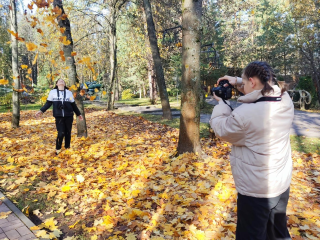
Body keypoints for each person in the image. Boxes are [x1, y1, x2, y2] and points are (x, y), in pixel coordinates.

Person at [209, 61, 294, 240]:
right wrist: (238, 80)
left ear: (253, 82)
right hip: (280, 184)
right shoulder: (286, 101)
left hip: (256, 192)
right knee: (278, 233)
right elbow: (264, 89)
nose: (243, 86)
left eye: (246, 83)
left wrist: (222, 104)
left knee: (251, 235)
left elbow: (221, 128)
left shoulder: (245, 115)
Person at [35, 79, 83, 155]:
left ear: (64, 84)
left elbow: (73, 105)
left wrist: (79, 114)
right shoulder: (52, 92)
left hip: (69, 115)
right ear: (56, 84)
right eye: (59, 81)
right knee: (61, 133)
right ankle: (58, 148)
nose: (61, 82)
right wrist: (41, 111)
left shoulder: (69, 93)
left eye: (63, 81)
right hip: (59, 116)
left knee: (68, 133)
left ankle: (67, 148)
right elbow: (48, 103)